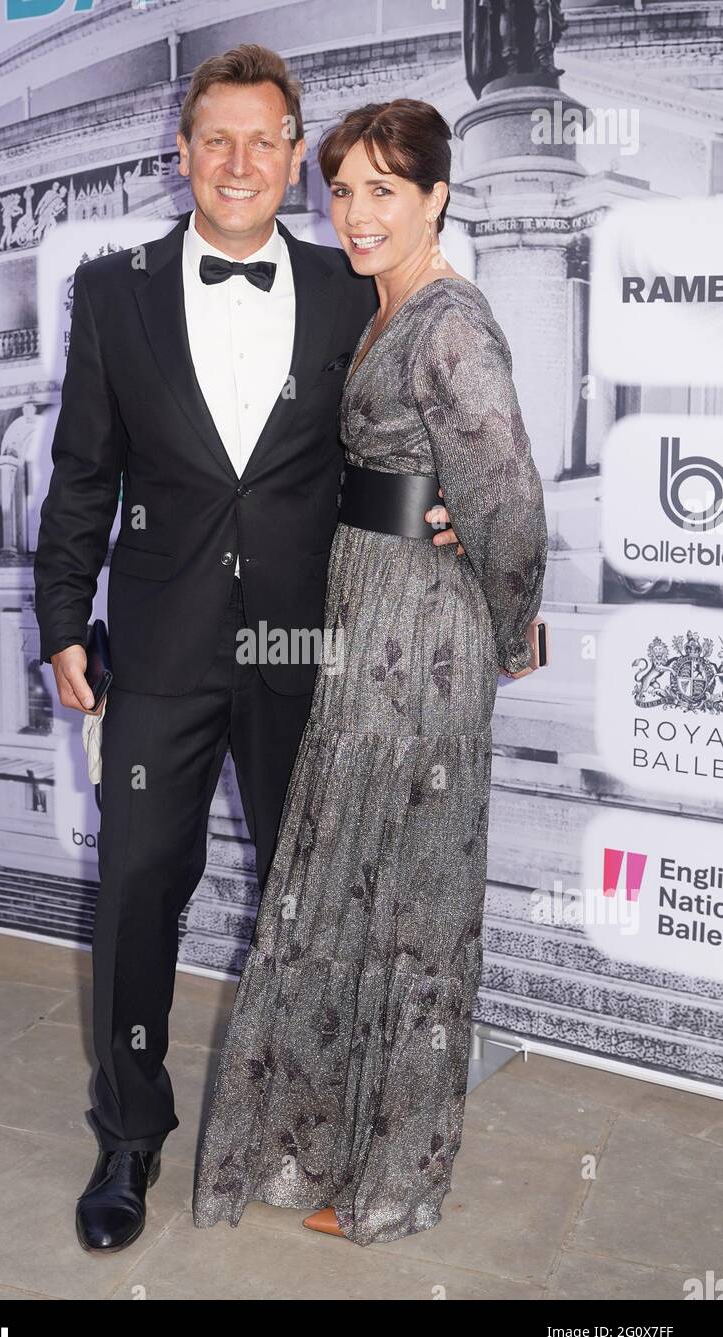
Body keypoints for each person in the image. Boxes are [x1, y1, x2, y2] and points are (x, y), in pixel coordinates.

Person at [33, 48, 464, 1254]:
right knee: (132, 896)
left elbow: (383, 452)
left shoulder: (347, 289)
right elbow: (83, 472)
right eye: (211, 140)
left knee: (310, 897)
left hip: (302, 642)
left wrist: (442, 516)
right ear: (180, 154)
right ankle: (129, 1132)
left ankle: (307, 1121)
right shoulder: (111, 292)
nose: (236, 163)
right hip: (160, 646)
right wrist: (64, 619)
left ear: (292, 149)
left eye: (261, 139)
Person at [192, 98, 549, 1246]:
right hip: (362, 614)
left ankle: (392, 1180)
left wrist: (507, 627)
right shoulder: (378, 304)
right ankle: (317, 1143)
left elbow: (505, 499)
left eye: (381, 190)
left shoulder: (448, 320)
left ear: (435, 195)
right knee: (345, 882)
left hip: (422, 638)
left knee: (410, 904)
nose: (355, 213)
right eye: (340, 189)